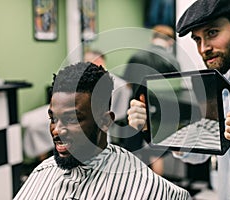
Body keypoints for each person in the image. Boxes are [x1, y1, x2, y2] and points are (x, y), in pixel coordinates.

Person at [127, 0, 230, 199]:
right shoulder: (217, 84)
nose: (203, 48)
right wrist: (158, 126)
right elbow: (199, 152)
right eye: (197, 39)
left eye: (212, 33)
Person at [14, 62, 190, 199]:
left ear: (105, 121)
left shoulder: (144, 186)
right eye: (53, 119)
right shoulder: (42, 173)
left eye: (71, 119)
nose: (56, 131)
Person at [122, 24, 181, 175]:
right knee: (157, 153)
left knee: (132, 152)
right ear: (170, 41)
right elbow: (176, 90)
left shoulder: (136, 56)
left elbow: (128, 84)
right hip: (161, 111)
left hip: (135, 109)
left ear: (153, 38)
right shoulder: (172, 60)